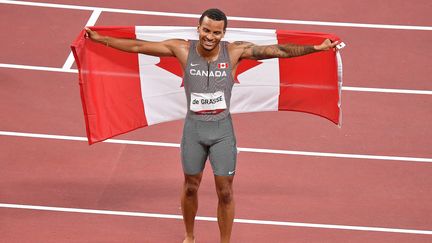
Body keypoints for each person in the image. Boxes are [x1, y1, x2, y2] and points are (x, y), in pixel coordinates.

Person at [85, 8, 338, 243]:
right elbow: (139, 46)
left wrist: (316, 48)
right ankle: (190, 236)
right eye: (206, 30)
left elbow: (278, 51)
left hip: (222, 132)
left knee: (225, 192)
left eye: (216, 32)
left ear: (223, 33)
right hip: (194, 131)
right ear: (198, 29)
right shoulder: (182, 49)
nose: (210, 37)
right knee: (191, 186)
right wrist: (100, 40)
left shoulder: (235, 51)